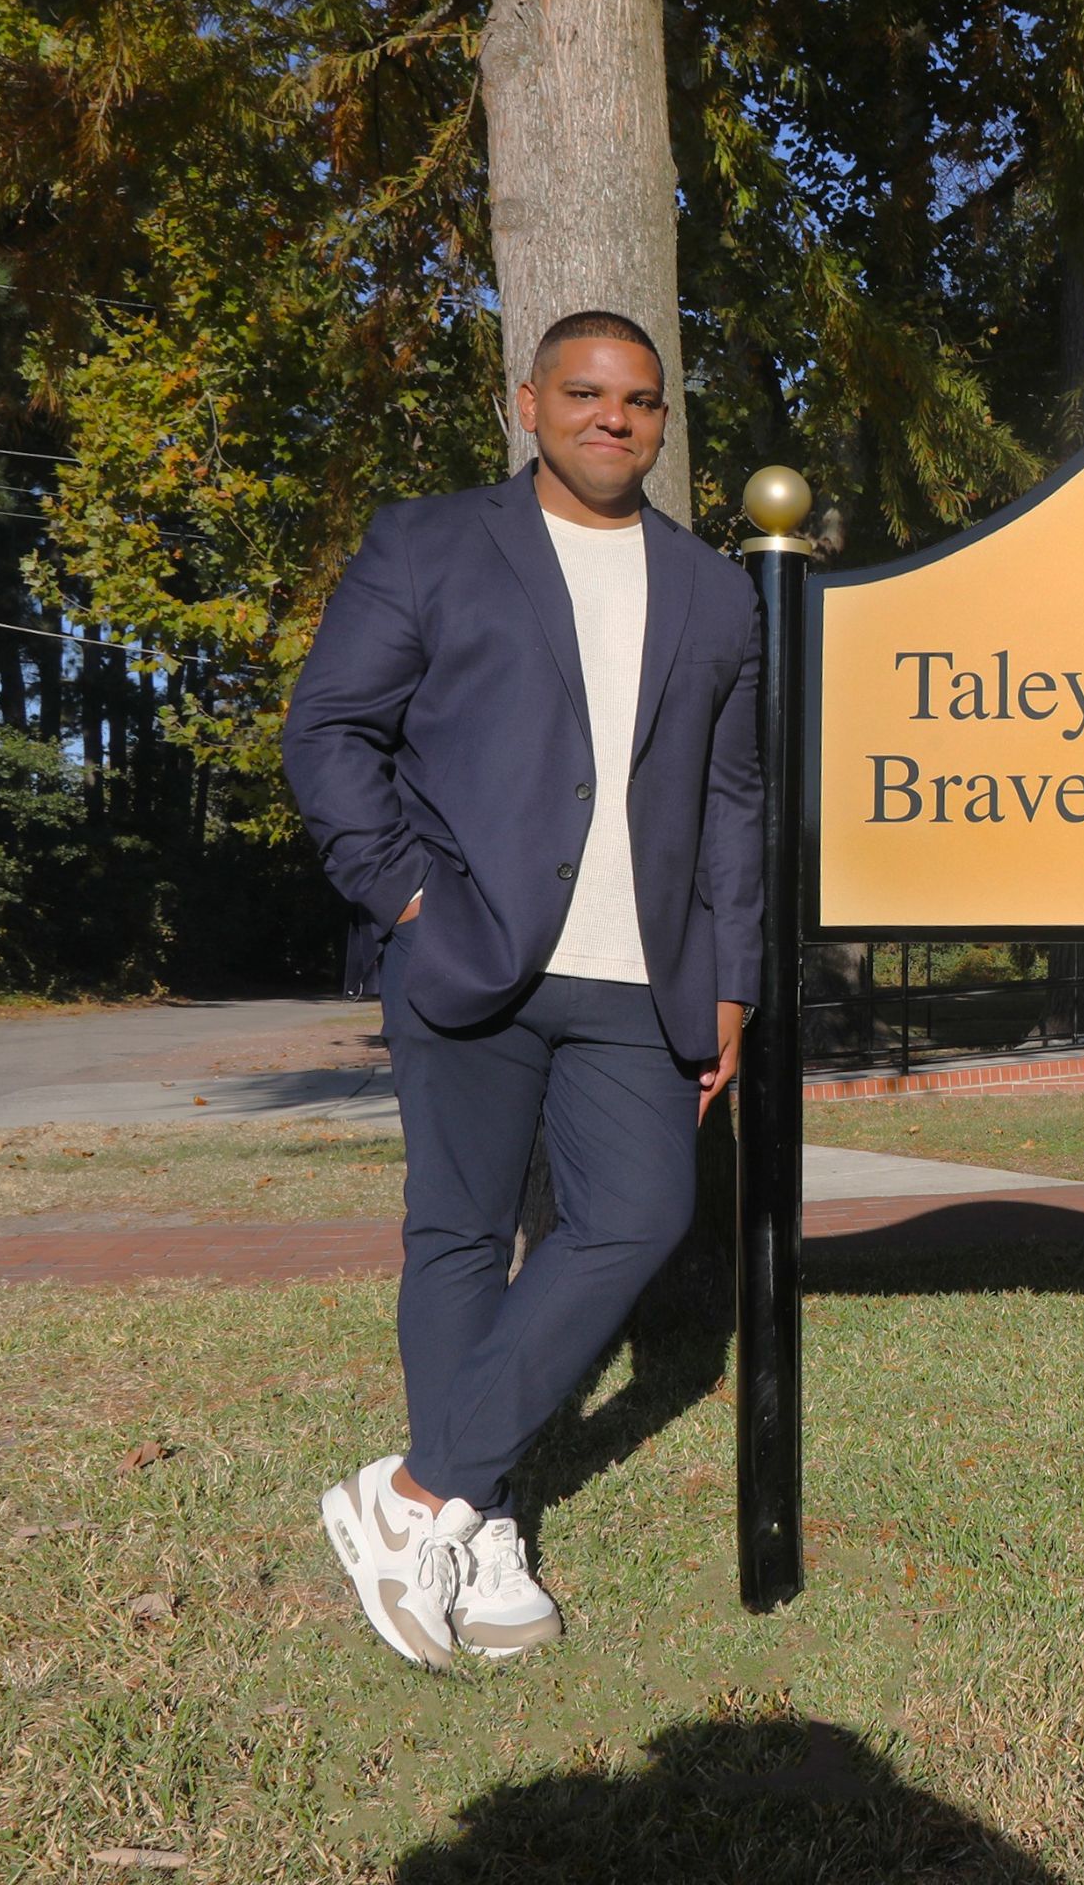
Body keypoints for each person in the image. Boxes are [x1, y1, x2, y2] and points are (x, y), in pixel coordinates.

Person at [283, 309, 764, 1663]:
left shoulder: (714, 590)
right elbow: (329, 733)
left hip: (640, 975)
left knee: (638, 1213)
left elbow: (732, 798)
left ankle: (422, 1490)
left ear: (664, 422)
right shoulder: (432, 544)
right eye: (586, 393)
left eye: (641, 401)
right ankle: (480, 1532)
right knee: (459, 1232)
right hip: (471, 952)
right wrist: (410, 895)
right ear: (528, 402)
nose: (614, 418)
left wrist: (730, 979)